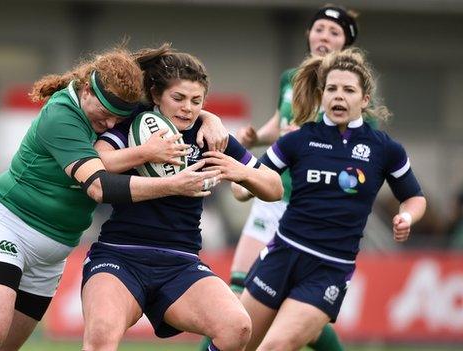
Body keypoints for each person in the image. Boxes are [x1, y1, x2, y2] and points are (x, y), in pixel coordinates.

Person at [0, 47, 227, 351]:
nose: (108, 126)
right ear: (87, 90)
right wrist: (165, 176)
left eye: (117, 120)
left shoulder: (117, 104)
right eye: (103, 117)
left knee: (4, 347)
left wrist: (209, 118)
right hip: (8, 226)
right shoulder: (61, 115)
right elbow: (99, 187)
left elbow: (175, 105)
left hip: (52, 251)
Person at [80, 45, 283, 351]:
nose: (188, 108)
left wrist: (239, 171)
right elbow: (99, 162)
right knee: (100, 338)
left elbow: (275, 187)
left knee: (237, 327)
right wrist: (148, 154)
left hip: (180, 261)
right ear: (156, 95)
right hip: (120, 255)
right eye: (178, 98)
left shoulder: (209, 135)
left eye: (196, 101)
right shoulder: (136, 123)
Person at [238, 48, 426, 351]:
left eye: (349, 90)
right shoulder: (297, 139)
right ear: (321, 95)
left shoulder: (384, 149)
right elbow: (250, 182)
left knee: (273, 347)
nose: (339, 96)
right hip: (282, 254)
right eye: (332, 89)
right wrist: (240, 179)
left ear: (364, 100)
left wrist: (406, 217)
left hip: (329, 269)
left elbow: (414, 198)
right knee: (236, 340)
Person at [218, 5, 361, 350]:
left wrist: (311, 137)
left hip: (304, 207)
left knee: (289, 316)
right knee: (236, 294)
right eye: (319, 28)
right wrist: (256, 135)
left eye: (334, 32)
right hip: (272, 193)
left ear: (346, 44)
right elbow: (283, 121)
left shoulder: (344, 89)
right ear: (309, 33)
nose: (324, 36)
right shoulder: (291, 77)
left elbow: (355, 147)